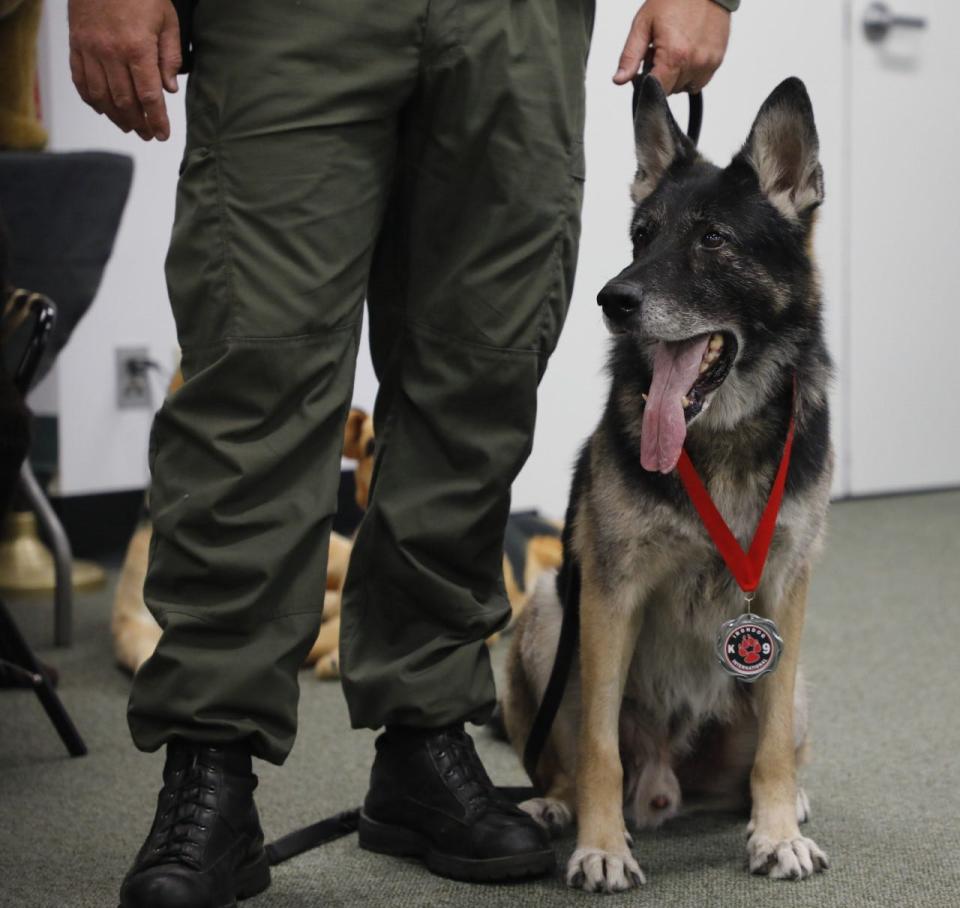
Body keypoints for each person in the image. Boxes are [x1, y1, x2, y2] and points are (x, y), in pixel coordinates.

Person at [67, 0, 734, 904]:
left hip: (516, 21)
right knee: (253, 369)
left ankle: (425, 741)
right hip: (295, 24)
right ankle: (210, 766)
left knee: (479, 374)